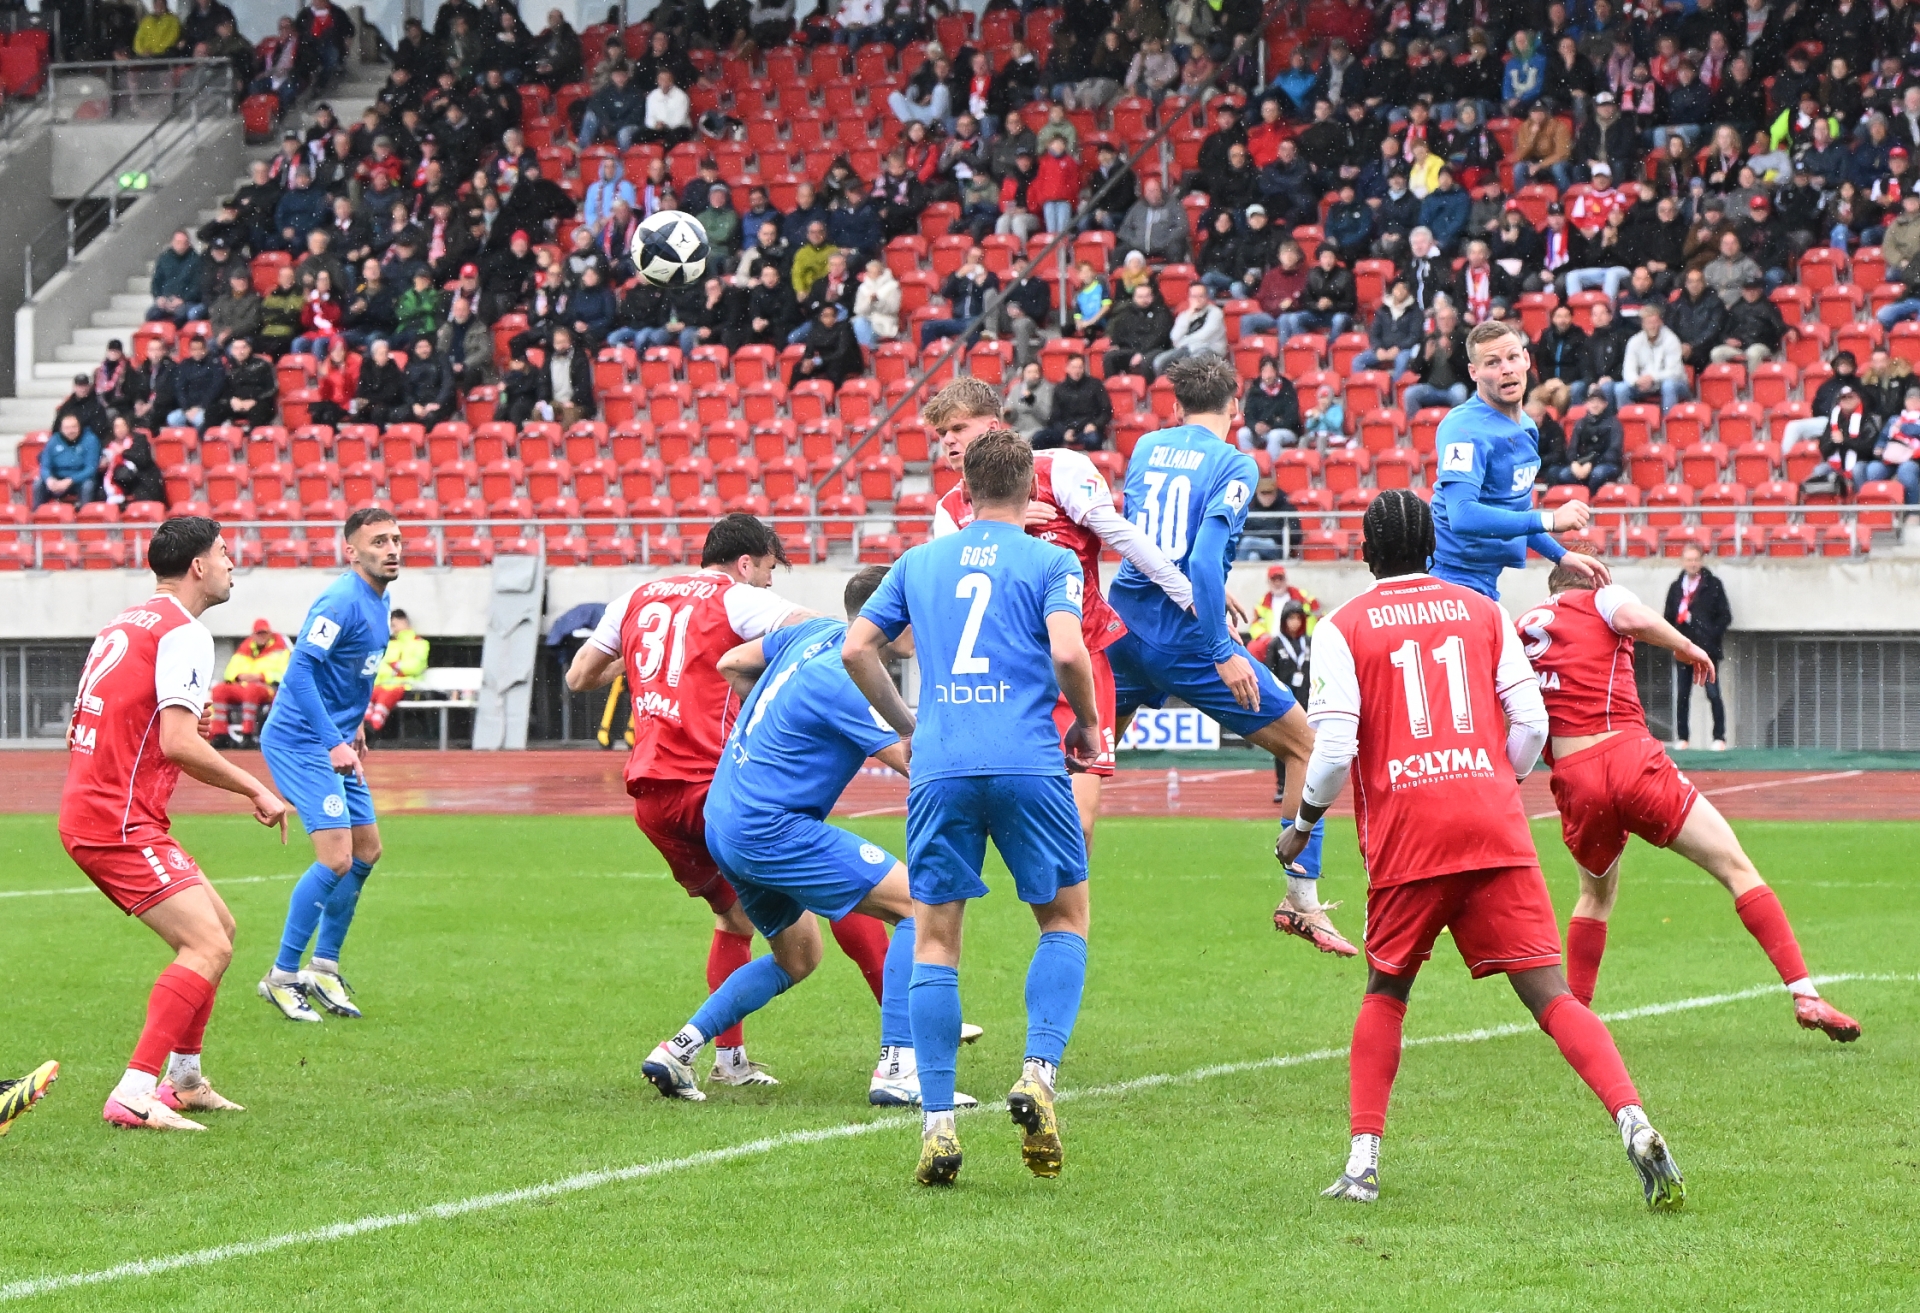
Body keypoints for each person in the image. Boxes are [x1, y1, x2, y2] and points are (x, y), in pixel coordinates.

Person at [1279, 489, 1684, 1211]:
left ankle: (1362, 1164)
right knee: (1552, 996)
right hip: (1493, 824)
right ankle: (1634, 1119)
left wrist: (1304, 824)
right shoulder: (1483, 610)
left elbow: (1334, 747)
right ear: (1433, 547)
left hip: (1410, 836)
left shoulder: (1343, 625)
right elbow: (1530, 722)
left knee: (1386, 990)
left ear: (1367, 554)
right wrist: (1498, 780)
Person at [844, 429, 1100, 1187]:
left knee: (934, 939)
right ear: (1031, 491)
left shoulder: (917, 561)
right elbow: (1068, 651)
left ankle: (937, 1125)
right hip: (1027, 760)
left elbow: (857, 648)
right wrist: (1087, 723)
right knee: (1063, 919)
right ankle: (1038, 1073)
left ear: (965, 488)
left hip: (941, 764)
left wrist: (906, 723)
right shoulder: (1050, 559)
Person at [565, 515, 894, 1086]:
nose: (769, 581)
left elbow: (578, 678)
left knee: (734, 919)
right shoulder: (736, 598)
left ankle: (726, 1059)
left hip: (652, 797)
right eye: (767, 569)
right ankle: (909, 1031)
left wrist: (644, 660)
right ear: (746, 563)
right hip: (720, 788)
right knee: (842, 900)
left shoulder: (636, 598)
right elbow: (816, 633)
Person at [1517, 550, 1859, 1041]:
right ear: (1597, 577)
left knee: (1594, 897)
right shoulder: (1603, 597)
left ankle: (1575, 1021)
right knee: (1736, 868)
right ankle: (1805, 993)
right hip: (1629, 757)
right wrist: (1686, 645)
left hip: (1575, 776)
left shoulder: (1523, 626)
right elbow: (1632, 618)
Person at [640, 569, 952, 1106]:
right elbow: (916, 765)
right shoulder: (851, 681)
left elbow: (731, 662)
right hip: (772, 827)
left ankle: (678, 1050)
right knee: (919, 905)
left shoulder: (812, 632)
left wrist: (779, 722)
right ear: (891, 618)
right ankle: (898, 1069)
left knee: (798, 956)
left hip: (724, 819)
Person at [1104, 355, 1352, 954]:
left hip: (1121, 625)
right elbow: (1201, 557)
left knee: (1081, 758)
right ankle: (1302, 903)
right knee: (1307, 747)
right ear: (1235, 406)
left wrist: (1208, 593)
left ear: (1174, 407)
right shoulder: (1235, 462)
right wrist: (1220, 645)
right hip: (1185, 640)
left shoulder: (1146, 448)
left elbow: (1146, 543)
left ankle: (1035, 870)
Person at [62, 516, 289, 1131]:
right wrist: (255, 788)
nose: (232, 564)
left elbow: (97, 718)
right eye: (224, 553)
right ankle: (134, 1092)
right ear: (197, 566)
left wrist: (175, 724)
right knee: (207, 945)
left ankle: (184, 1082)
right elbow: (180, 743)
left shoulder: (127, 622)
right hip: (116, 821)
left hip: (106, 809)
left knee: (221, 929)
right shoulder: (185, 632)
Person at [923, 377, 1191, 849]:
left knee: (1078, 823)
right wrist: (998, 524)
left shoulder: (1059, 468)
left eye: (958, 428)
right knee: (1001, 818)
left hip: (1079, 658)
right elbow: (944, 581)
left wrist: (1187, 594)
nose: (948, 440)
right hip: (1005, 675)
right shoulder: (949, 510)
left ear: (993, 427)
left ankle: (1069, 900)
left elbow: (1119, 533)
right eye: (942, 433)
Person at [256, 510, 404, 1025]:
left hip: (336, 739)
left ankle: (324, 967)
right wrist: (332, 740)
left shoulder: (379, 601)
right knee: (337, 857)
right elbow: (299, 670)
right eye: (378, 541)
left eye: (395, 539)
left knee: (367, 850)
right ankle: (281, 976)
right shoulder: (341, 600)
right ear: (351, 551)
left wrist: (354, 724)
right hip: (301, 742)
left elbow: (355, 673)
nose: (391, 549)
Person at [1429, 321, 1607, 599]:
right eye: (1492, 362)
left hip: (1484, 580)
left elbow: (1516, 516)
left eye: (1512, 357)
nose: (1506, 369)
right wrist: (1550, 519)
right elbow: (1461, 515)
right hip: (1447, 577)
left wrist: (1561, 556)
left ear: (1526, 359)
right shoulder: (1463, 429)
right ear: (1474, 373)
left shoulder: (1526, 427)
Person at [1662, 545, 1730, 749]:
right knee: (1682, 694)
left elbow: (1725, 616)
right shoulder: (1676, 587)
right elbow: (1667, 617)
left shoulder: (1713, 585)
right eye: (1689, 560)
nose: (1692, 564)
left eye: (1695, 560)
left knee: (1713, 693)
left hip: (1707, 650)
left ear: (1701, 561)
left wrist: (1709, 634)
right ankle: (1683, 737)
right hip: (1684, 649)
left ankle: (1719, 737)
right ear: (1682, 562)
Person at [209, 617, 290, 746]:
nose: (261, 636)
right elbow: (229, 672)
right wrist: (238, 676)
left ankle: (248, 734)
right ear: (253, 634)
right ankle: (220, 734)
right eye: (259, 633)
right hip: (243, 686)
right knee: (219, 690)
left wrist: (261, 677)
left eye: (264, 633)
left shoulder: (281, 650)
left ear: (270, 633)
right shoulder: (244, 649)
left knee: (252, 690)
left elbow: (284, 675)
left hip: (268, 688)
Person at [1263, 602, 1311, 803]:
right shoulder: (1276, 644)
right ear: (1284, 621)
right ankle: (1283, 785)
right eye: (1291, 618)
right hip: (1284, 703)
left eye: (1298, 618)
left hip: (1308, 701)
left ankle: (1309, 787)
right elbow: (1269, 674)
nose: (1294, 622)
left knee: (1309, 745)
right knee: (1284, 745)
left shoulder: (1310, 643)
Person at [362, 610, 431, 733]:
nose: (392, 629)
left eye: (394, 625)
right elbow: (381, 667)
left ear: (404, 622)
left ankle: (375, 721)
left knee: (389, 693)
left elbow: (415, 667)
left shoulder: (420, 643)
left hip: (408, 686)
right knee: (372, 692)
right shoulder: (390, 644)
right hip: (385, 685)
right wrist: (398, 669)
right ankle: (369, 719)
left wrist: (395, 666)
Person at [1614, 304, 1690, 413]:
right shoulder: (1634, 342)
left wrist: (1652, 378)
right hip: (1644, 384)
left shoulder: (1671, 340)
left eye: (1655, 322)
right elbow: (1628, 371)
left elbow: (1675, 372)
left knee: (1668, 386)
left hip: (1675, 384)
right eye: (1649, 323)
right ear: (1643, 324)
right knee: (1620, 389)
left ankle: (1667, 421)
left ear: (1661, 322)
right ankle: (1630, 420)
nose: (1652, 326)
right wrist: (1637, 381)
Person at [1553, 390, 1625, 491]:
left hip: (1606, 463)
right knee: (1564, 475)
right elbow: (1572, 448)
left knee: (1597, 474)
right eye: (1592, 402)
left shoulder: (1614, 424)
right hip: (1583, 463)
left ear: (1605, 404)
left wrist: (1592, 463)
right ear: (1587, 404)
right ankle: (1579, 495)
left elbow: (1613, 452)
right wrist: (1574, 463)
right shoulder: (1580, 423)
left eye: (1599, 402)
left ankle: (1592, 497)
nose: (1595, 405)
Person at [33, 414, 102, 510]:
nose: (71, 431)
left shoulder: (90, 439)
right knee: (39, 483)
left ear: (79, 427)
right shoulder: (54, 440)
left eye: (74, 427)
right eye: (67, 428)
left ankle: (86, 514)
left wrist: (70, 480)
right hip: (57, 478)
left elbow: (91, 468)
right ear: (61, 429)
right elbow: (45, 466)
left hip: (79, 480)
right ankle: (37, 514)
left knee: (88, 485)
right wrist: (49, 479)